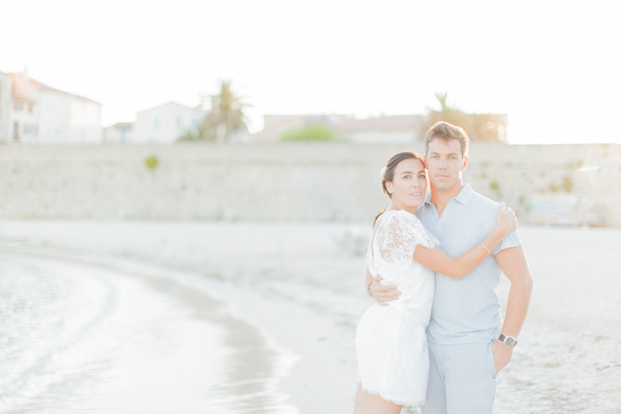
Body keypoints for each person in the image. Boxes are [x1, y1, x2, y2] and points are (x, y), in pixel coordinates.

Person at [369, 122, 533, 414]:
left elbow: (522, 280)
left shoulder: (492, 214)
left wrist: (506, 342)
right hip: (426, 346)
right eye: (435, 157)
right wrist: (371, 285)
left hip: (472, 346)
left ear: (464, 162)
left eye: (451, 157)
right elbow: (380, 258)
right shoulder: (415, 212)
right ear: (426, 160)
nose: (443, 165)